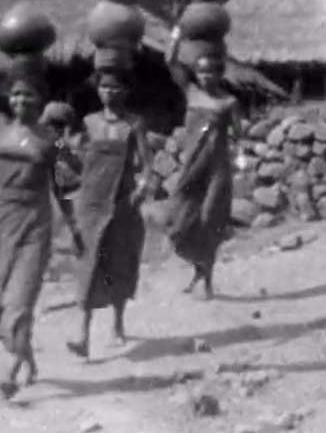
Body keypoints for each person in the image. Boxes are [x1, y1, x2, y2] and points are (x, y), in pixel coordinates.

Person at [0, 20, 83, 398]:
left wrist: (76, 231)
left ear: (41, 100)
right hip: (1, 221)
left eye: (29, 96)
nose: (21, 101)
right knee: (3, 295)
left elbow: (63, 191)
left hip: (34, 223)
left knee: (22, 300)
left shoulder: (51, 141)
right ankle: (28, 358)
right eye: (16, 95)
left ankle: (12, 371)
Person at [66, 68, 153, 358]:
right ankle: (83, 335)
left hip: (122, 203)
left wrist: (141, 188)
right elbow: (68, 154)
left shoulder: (135, 124)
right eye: (105, 87)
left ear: (125, 91)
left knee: (119, 263)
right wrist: (58, 142)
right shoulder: (88, 122)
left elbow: (147, 165)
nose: (110, 93)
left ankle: (117, 322)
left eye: (116, 88)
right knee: (88, 265)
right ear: (98, 90)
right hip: (91, 204)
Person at [164, 27, 242, 300]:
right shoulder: (191, 93)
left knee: (210, 222)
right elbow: (170, 63)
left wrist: (241, 159)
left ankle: (206, 278)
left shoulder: (229, 102)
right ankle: (197, 266)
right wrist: (176, 37)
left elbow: (238, 136)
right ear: (196, 74)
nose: (206, 76)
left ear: (220, 74)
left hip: (217, 169)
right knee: (177, 221)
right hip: (191, 168)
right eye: (201, 72)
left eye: (211, 72)